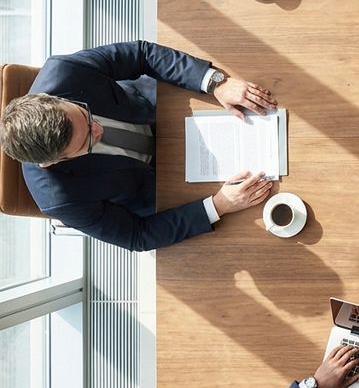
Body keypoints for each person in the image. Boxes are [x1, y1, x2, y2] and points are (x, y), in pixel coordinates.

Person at [0, 41, 276, 251]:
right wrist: (219, 205)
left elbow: (142, 54)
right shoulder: (60, 198)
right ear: (51, 162)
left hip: (162, 106)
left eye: (85, 114)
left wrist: (215, 83)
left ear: (53, 98)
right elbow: (137, 235)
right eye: (86, 141)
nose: (98, 129)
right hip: (166, 188)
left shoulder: (64, 72)